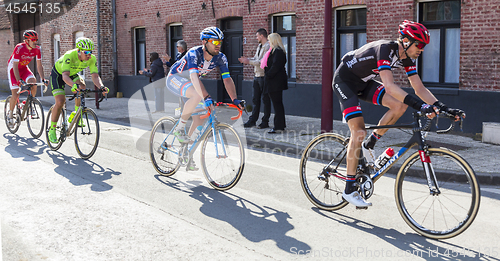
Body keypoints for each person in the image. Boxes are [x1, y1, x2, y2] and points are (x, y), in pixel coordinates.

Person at [332, 20, 465, 207]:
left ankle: (370, 143)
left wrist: (443, 107)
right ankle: (349, 189)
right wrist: (420, 106)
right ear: (405, 41)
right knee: (358, 131)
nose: (422, 49)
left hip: (363, 83)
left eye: (424, 45)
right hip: (344, 81)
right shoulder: (385, 49)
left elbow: (418, 87)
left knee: (399, 106)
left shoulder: (406, 58)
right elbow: (389, 86)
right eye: (419, 45)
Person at [165, 26, 242, 171]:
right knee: (196, 95)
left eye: (220, 42)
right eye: (214, 42)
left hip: (192, 84)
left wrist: (235, 100)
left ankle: (185, 152)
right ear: (205, 42)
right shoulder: (194, 53)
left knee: (200, 118)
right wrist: (206, 97)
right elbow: (193, 77)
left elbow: (227, 79)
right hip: (176, 78)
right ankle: (179, 128)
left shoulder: (221, 58)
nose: (218, 45)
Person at [48, 37, 109, 143]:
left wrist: (101, 87)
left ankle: (76, 114)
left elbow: (95, 76)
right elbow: (65, 76)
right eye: (86, 53)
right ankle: (52, 129)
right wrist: (73, 85)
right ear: (79, 51)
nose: (89, 55)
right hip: (58, 74)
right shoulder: (69, 55)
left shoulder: (91, 58)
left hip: (71, 74)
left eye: (90, 52)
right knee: (60, 101)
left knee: (82, 86)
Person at [6, 30, 48, 128]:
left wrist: (43, 79)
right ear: (26, 41)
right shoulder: (19, 48)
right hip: (13, 70)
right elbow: (15, 66)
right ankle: (10, 114)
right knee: (15, 93)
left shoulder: (37, 49)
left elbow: (39, 65)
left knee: (33, 83)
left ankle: (28, 104)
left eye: (36, 40)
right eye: (33, 40)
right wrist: (18, 80)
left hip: (24, 68)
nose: (35, 42)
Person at [239, 28, 271, 129]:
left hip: (263, 76)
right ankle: (253, 120)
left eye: (257, 36)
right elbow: (256, 59)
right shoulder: (259, 46)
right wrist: (247, 60)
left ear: (262, 36)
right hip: (256, 76)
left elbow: (262, 62)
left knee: (266, 100)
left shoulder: (268, 46)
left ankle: (265, 121)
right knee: (255, 100)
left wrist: (248, 61)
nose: (256, 38)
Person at [262, 33, 288, 134]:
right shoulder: (275, 51)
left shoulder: (278, 52)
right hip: (274, 81)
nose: (268, 42)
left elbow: (275, 66)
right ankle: (280, 125)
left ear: (273, 40)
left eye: (269, 40)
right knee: (278, 104)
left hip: (275, 82)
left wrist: (268, 75)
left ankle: (278, 126)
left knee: (277, 104)